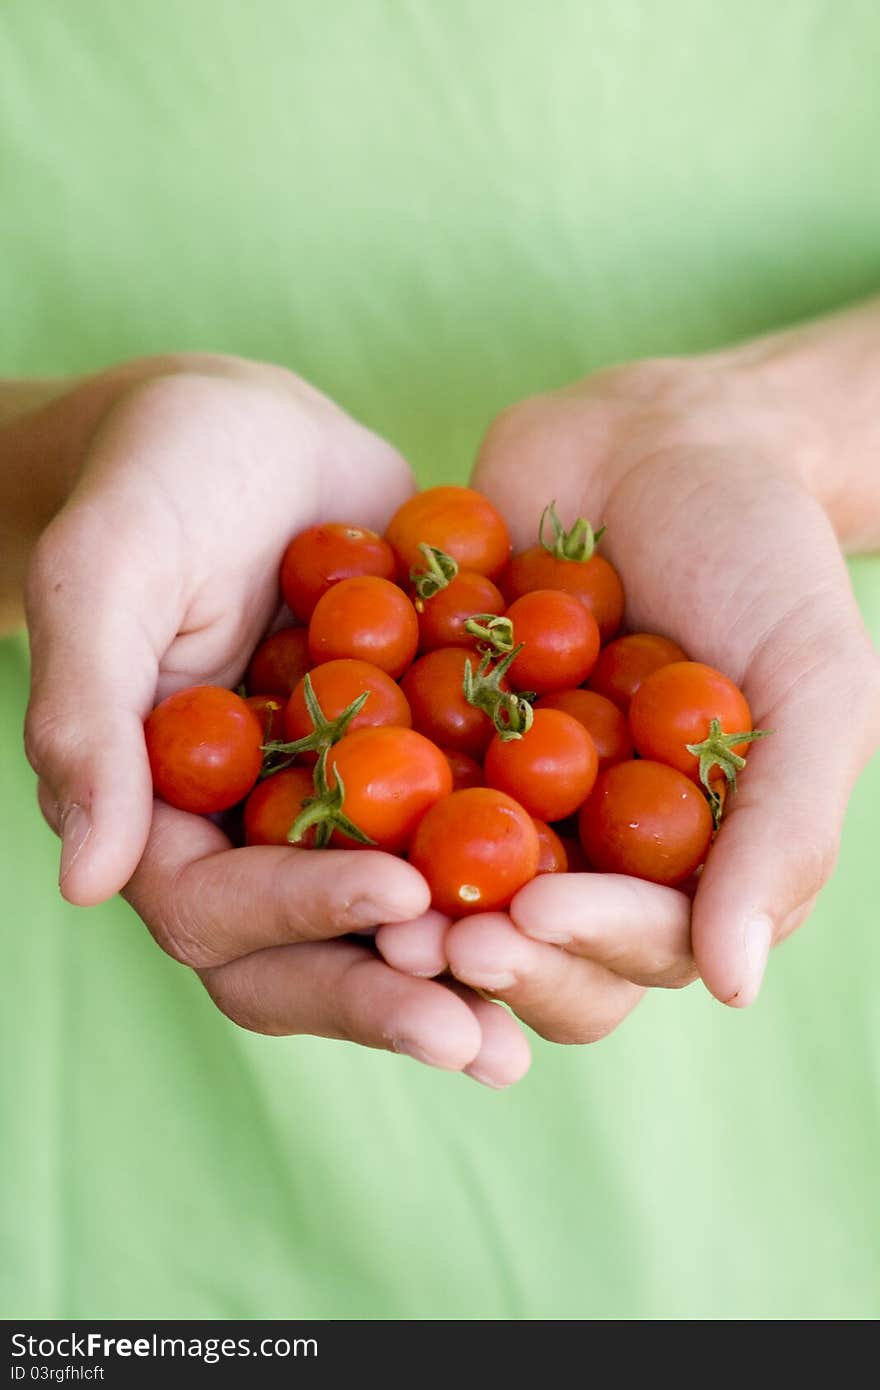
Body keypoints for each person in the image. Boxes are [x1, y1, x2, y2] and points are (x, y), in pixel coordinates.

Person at [2, 2, 879, 1321]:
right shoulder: (419, 682)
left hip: (751, 1178)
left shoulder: (520, 685)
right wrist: (54, 477)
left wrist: (795, 432)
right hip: (109, 1163)